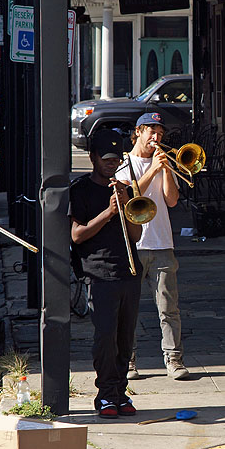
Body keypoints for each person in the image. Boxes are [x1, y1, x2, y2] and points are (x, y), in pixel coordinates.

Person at [70, 128, 142, 418]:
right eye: (106, 159)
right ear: (93, 158)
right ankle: (105, 394)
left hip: (128, 271)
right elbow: (76, 235)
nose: (111, 164)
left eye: (116, 159)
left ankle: (120, 392)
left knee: (126, 338)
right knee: (105, 338)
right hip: (98, 273)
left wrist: (125, 205)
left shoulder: (124, 189)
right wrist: (107, 213)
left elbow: (135, 234)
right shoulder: (80, 190)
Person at [116, 113, 189, 381]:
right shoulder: (124, 163)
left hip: (162, 244)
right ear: (138, 132)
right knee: (128, 309)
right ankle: (130, 361)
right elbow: (129, 198)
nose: (156, 139)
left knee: (169, 308)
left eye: (160, 134)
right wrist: (154, 170)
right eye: (151, 132)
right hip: (134, 245)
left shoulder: (163, 162)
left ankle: (174, 359)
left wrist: (167, 170)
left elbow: (171, 201)